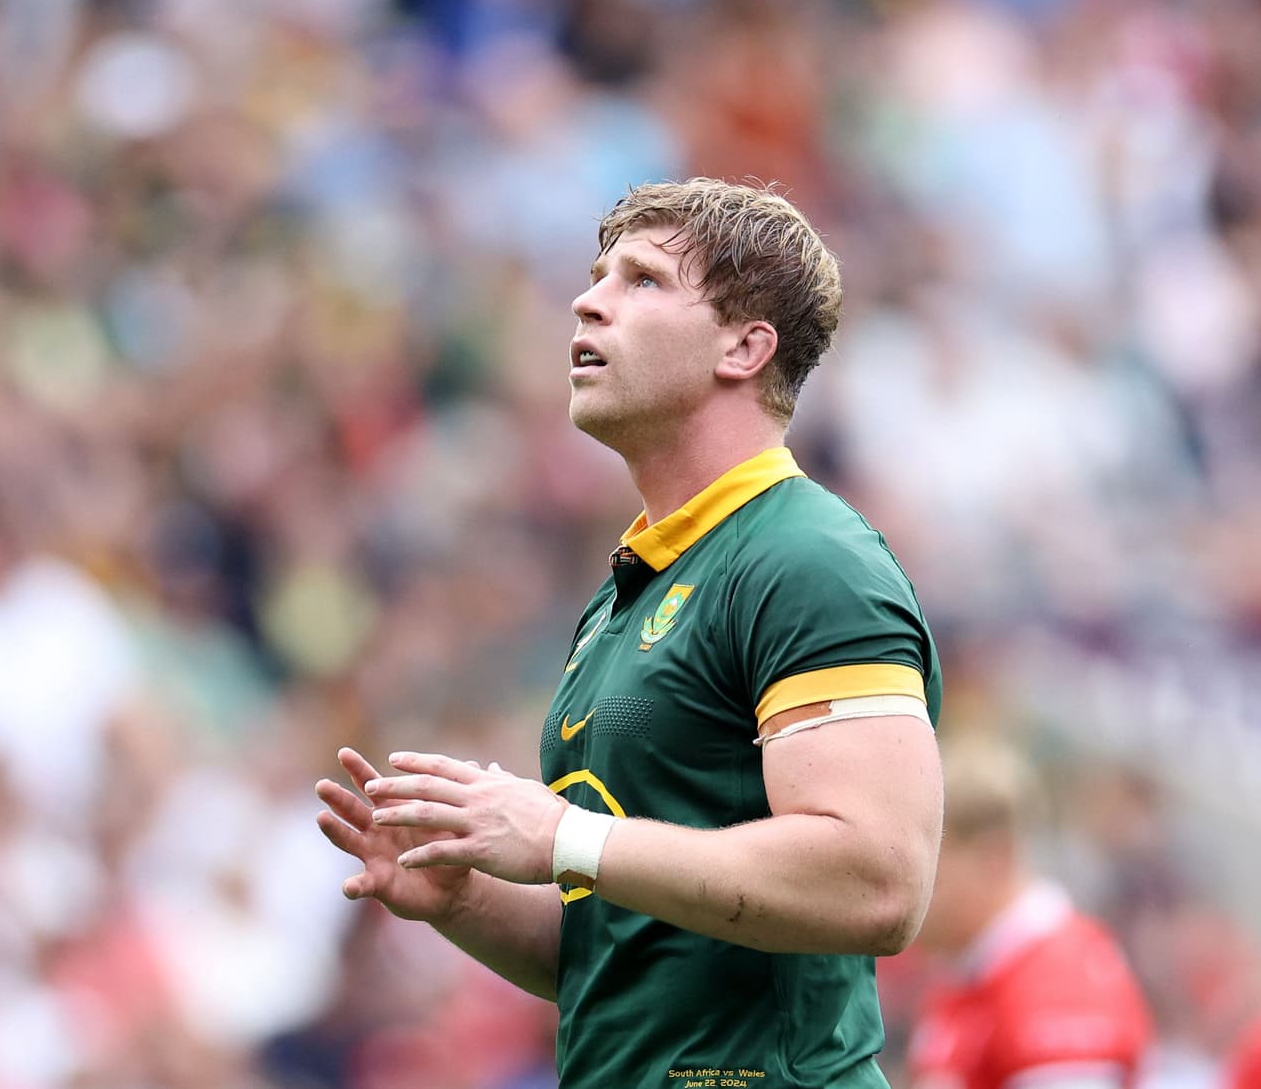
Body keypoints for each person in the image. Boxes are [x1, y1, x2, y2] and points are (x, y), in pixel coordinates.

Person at [315, 178, 945, 1088]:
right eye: (597, 276)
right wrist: (462, 899)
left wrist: (565, 835)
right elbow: (627, 948)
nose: (588, 301)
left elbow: (877, 880)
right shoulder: (627, 592)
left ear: (744, 346)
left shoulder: (810, 559)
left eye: (643, 279)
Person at [905, 736, 1151, 1089]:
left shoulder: (1061, 980)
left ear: (994, 857)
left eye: (931, 873)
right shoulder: (973, 967)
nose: (910, 889)